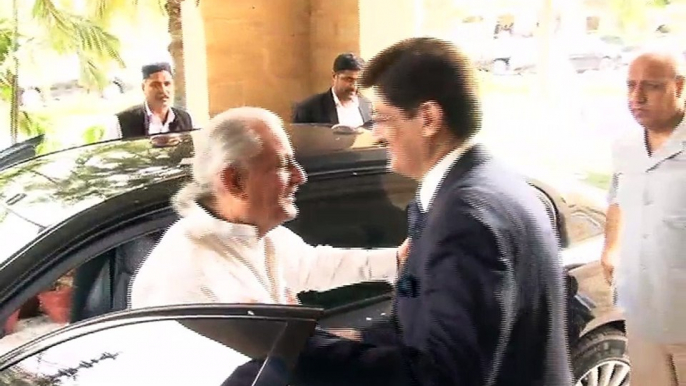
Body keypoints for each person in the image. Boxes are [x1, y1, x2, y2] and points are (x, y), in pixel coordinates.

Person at [225, 37, 571, 386]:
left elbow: (443, 376)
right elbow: (428, 332)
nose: (375, 135)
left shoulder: (466, 217)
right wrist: (352, 339)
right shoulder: (487, 183)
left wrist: (296, 345)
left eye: (381, 118)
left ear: (428, 118)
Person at [129, 106, 407, 308]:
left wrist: (396, 260)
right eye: (283, 165)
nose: (300, 176)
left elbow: (311, 265)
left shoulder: (254, 232)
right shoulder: (185, 275)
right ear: (235, 180)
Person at [601, 49, 686, 386]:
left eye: (650, 86)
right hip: (642, 313)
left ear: (679, 86)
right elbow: (617, 199)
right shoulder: (625, 147)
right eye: (630, 86)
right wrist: (610, 249)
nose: (636, 97)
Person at [104, 62, 195, 141]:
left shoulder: (185, 119)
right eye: (155, 85)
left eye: (167, 84)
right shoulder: (122, 122)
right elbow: (106, 156)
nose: (163, 90)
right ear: (144, 87)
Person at [292, 53, 373, 127]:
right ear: (334, 76)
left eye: (359, 81)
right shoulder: (309, 108)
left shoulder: (368, 106)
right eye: (349, 79)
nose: (354, 86)